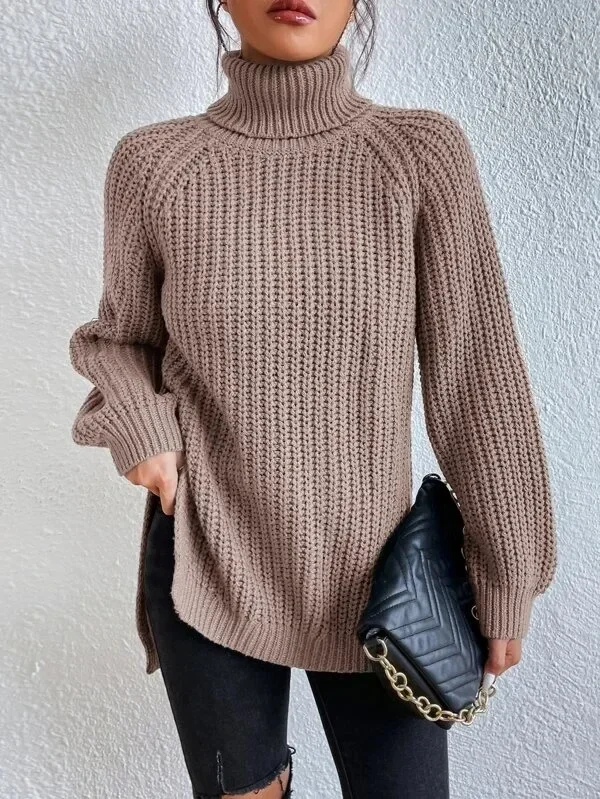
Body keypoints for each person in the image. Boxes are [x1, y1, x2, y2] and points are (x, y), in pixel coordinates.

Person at [67, 1, 557, 797]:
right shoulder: (155, 164)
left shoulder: (418, 155)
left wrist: (506, 570)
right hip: (208, 554)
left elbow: (478, 377)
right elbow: (118, 340)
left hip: (378, 574)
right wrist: (143, 430)